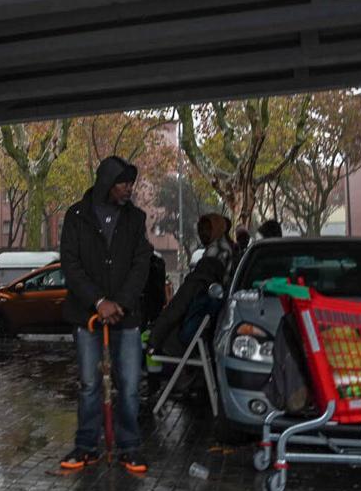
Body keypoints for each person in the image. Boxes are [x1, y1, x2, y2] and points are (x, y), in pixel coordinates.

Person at [58, 156, 153, 474]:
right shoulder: (76, 216)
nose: (129, 189)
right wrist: (98, 302)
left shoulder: (136, 219)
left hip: (125, 317)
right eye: (123, 183)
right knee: (88, 383)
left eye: (131, 183)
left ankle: (129, 447)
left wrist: (120, 303)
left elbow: (142, 263)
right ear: (106, 183)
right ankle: (87, 446)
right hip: (87, 315)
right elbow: (70, 264)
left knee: (127, 384)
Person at [149, 214, 234, 358]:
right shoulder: (223, 248)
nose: (202, 233)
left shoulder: (216, 252)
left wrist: (156, 335)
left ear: (217, 229)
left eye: (207, 229)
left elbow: (183, 301)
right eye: (200, 229)